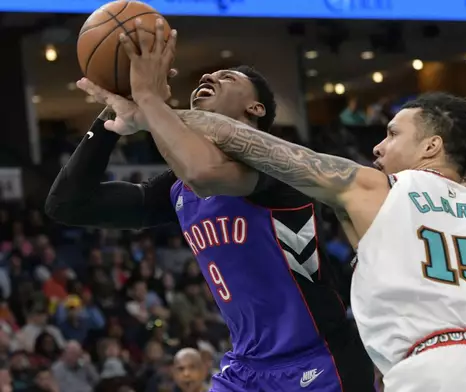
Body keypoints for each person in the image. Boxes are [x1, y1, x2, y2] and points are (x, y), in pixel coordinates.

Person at [78, 20, 466, 391]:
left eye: (390, 132)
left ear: (430, 146)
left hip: (431, 371)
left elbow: (242, 144)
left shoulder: (372, 189)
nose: (377, 147)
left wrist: (149, 102)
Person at [46, 21, 373, 392]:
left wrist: (151, 102)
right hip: (245, 368)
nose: (208, 74)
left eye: (228, 76)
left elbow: (205, 172)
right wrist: (111, 116)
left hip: (320, 360)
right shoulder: (175, 187)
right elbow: (68, 205)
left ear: (255, 107)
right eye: (210, 73)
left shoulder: (279, 164)